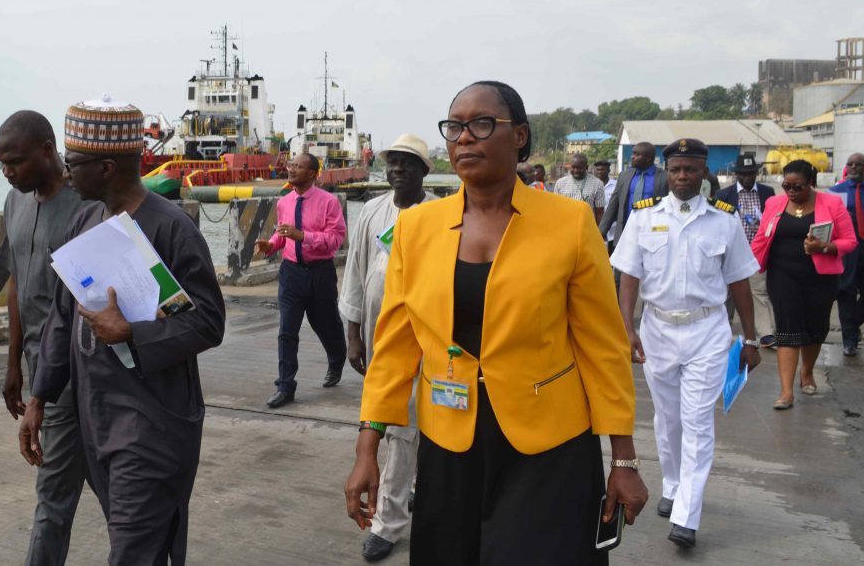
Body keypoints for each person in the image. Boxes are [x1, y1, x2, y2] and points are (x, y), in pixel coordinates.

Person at [345, 81, 647, 564]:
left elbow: (603, 348)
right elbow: (396, 349)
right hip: (449, 441)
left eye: (482, 124)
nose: (464, 138)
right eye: (455, 127)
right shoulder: (417, 229)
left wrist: (624, 459)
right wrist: (368, 447)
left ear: (520, 136)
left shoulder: (569, 223)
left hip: (549, 444)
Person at [19, 96, 226, 565]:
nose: (66, 173)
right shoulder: (85, 221)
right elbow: (60, 316)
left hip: (152, 421)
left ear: (107, 166)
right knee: (138, 544)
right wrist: (39, 398)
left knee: (132, 547)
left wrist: (132, 332)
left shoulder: (172, 229)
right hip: (97, 415)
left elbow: (208, 322)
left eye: (73, 164)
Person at [611, 138, 761, 549]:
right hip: (658, 330)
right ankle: (673, 484)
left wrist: (750, 337)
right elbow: (629, 277)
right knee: (668, 417)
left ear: (704, 173)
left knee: (697, 421)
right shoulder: (643, 219)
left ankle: (686, 516)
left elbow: (740, 282)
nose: (682, 176)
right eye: (676, 169)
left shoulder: (723, 220)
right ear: (667, 172)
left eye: (691, 170)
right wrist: (628, 326)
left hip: (707, 332)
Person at [0, 110, 88, 565]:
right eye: (1, 164)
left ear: (48, 151)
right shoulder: (15, 204)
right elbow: (17, 285)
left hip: (77, 368)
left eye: (15, 162)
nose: (8, 172)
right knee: (91, 488)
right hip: (38, 367)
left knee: (52, 494)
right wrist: (14, 365)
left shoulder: (86, 207)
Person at [339, 134, 437, 562]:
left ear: (423, 172)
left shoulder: (437, 214)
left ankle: (389, 522)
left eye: (408, 163)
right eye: (393, 162)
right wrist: (353, 333)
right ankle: (401, 501)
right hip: (382, 341)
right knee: (392, 425)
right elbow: (356, 272)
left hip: (428, 342)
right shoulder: (373, 212)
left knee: (405, 430)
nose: (398, 169)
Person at [750, 160, 856, 409]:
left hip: (821, 278)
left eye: (797, 186)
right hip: (783, 275)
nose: (791, 191)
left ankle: (806, 372)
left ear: (811, 183)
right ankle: (786, 392)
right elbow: (761, 238)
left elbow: (850, 241)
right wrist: (747, 265)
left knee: (815, 329)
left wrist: (825, 247)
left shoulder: (832, 203)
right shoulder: (774, 204)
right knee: (787, 330)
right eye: (786, 185)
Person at [255, 153, 348, 408]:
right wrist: (270, 245)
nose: (291, 169)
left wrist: (303, 236)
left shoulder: (328, 202)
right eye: (290, 165)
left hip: (320, 273)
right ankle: (285, 386)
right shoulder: (284, 202)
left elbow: (335, 239)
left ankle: (337, 358)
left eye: (297, 166)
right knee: (287, 330)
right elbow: (282, 235)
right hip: (291, 274)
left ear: (312, 174)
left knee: (326, 325)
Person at [716, 154, 777, 348]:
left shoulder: (768, 193)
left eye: (751, 173)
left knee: (759, 292)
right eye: (743, 174)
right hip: (730, 254)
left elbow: (774, 219)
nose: (748, 178)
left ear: (756, 173)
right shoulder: (724, 195)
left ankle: (766, 333)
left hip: (757, 253)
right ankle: (721, 331)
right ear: (737, 175)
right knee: (727, 295)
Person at [830, 153, 864, 356]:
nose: (854, 167)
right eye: (850, 164)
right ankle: (849, 341)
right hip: (845, 249)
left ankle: (851, 327)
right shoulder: (835, 192)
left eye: (859, 164)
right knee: (846, 292)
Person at [598, 141, 669, 242]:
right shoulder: (624, 176)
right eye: (633, 153)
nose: (632, 157)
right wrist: (601, 231)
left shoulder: (664, 177)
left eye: (637, 154)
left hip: (651, 234)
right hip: (624, 233)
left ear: (648, 158)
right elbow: (613, 205)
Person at [554, 153, 607, 222]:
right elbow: (556, 209)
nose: (576, 170)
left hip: (587, 227)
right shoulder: (560, 183)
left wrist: (599, 232)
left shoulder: (597, 184)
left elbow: (599, 213)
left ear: (586, 167)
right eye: (573, 167)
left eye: (579, 168)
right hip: (566, 226)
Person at [594, 160, 617, 251]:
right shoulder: (593, 185)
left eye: (602, 170)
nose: (599, 172)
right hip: (596, 224)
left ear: (608, 171)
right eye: (598, 170)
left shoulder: (615, 185)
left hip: (613, 227)